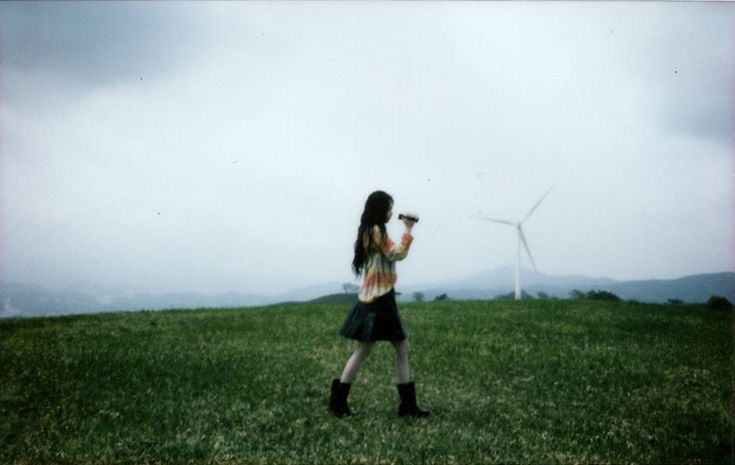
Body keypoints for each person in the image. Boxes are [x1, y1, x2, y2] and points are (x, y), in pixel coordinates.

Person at [329, 190, 430, 418]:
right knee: (398, 348)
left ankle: (339, 401)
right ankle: (406, 406)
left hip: (373, 297)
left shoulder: (369, 230)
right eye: (389, 208)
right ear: (381, 209)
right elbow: (396, 254)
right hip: (381, 298)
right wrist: (408, 228)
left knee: (370, 349)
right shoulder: (376, 231)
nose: (391, 213)